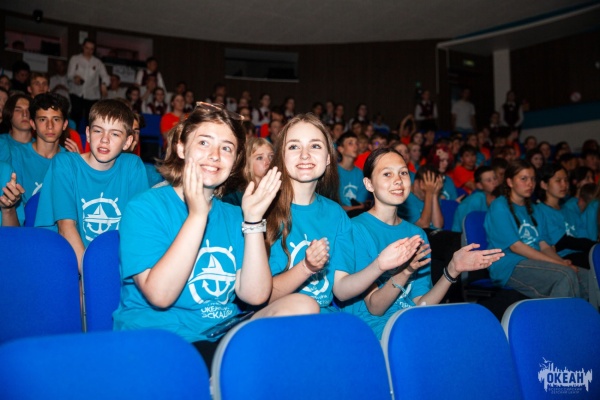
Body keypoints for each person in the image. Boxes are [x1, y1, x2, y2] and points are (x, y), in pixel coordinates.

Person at [113, 104, 318, 371]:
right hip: (161, 339)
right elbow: (160, 296)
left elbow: (255, 295)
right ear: (181, 148)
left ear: (234, 162)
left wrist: (253, 221)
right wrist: (197, 216)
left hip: (220, 335)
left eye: (227, 148)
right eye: (204, 142)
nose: (215, 155)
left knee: (304, 305)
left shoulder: (234, 215)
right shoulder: (145, 207)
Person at [345, 147, 503, 338]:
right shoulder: (355, 229)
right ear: (369, 184)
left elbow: (420, 304)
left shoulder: (416, 233)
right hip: (374, 331)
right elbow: (375, 308)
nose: (398, 180)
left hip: (412, 323)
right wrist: (405, 272)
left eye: (403, 173)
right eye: (387, 174)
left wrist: (452, 270)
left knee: (474, 331)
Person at [266, 114, 403, 313]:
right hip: (276, 322)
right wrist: (306, 267)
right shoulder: (263, 210)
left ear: (328, 158)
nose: (305, 155)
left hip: (325, 321)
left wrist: (379, 265)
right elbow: (262, 296)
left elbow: (341, 290)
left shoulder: (336, 214)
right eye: (294, 146)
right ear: (281, 157)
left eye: (315, 146)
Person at [35, 99, 148, 270]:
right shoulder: (65, 164)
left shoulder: (133, 166)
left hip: (116, 264)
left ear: (127, 141)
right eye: (98, 131)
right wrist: (91, 278)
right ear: (88, 134)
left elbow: (136, 229)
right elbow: (66, 227)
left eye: (115, 134)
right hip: (70, 261)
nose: (104, 140)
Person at [484, 160, 591, 300]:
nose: (530, 184)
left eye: (533, 179)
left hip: (534, 261)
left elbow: (544, 246)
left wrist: (562, 262)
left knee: (587, 278)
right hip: (509, 264)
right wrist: (559, 264)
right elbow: (516, 247)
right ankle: (557, 314)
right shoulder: (499, 206)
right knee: (565, 275)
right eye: (524, 179)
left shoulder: (535, 209)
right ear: (510, 182)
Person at [4, 93, 76, 226]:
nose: (50, 126)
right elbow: (14, 227)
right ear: (33, 123)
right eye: (43, 119)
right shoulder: (16, 156)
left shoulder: (71, 160)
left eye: (56, 119)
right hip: (27, 232)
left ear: (65, 124)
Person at [536, 164, 596, 269]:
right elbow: (563, 242)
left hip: (580, 254)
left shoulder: (568, 211)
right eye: (558, 181)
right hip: (561, 258)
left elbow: (584, 236)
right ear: (544, 185)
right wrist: (595, 246)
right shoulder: (540, 211)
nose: (564, 185)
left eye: (566, 180)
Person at [67, 38, 110, 129]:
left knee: (90, 118)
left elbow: (105, 76)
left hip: (92, 94)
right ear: (83, 47)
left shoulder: (98, 62)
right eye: (87, 48)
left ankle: (90, 136)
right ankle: (72, 134)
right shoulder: (75, 59)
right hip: (76, 92)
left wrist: (104, 84)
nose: (88, 51)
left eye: (91, 49)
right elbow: (69, 75)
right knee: (75, 116)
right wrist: (75, 78)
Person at [223, 137, 274, 206]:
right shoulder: (234, 196)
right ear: (248, 164)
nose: (268, 162)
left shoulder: (279, 191)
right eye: (260, 158)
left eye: (271, 156)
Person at [451, 166, 499, 232]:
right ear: (480, 185)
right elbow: (467, 226)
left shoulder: (499, 197)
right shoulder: (475, 200)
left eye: (495, 178)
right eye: (489, 180)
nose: (494, 182)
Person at [336, 132, 369, 215]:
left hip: (353, 217)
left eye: (357, 143)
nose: (355, 146)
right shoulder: (333, 172)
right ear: (341, 149)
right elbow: (330, 205)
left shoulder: (361, 175)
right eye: (350, 143)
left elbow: (360, 205)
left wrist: (355, 208)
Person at [0, 94, 32, 163]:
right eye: (18, 110)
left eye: (29, 110)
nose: (25, 114)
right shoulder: (1, 143)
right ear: (9, 114)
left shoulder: (42, 147)